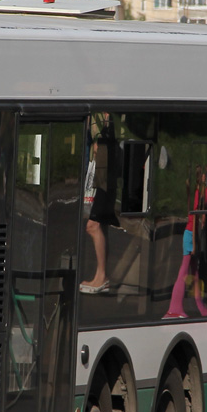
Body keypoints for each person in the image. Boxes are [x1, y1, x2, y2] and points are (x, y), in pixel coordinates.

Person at [164, 165, 207, 319]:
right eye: (204, 175)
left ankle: (200, 308)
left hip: (192, 234)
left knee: (195, 274)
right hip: (191, 235)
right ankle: (174, 308)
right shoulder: (200, 193)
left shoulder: (198, 193)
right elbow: (196, 217)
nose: (206, 177)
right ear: (200, 178)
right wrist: (195, 243)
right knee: (184, 272)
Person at [80, 112, 119, 294]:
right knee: (100, 225)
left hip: (103, 180)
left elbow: (108, 144)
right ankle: (100, 276)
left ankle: (102, 276)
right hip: (100, 177)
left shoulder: (106, 118)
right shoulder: (96, 115)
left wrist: (99, 142)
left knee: (93, 226)